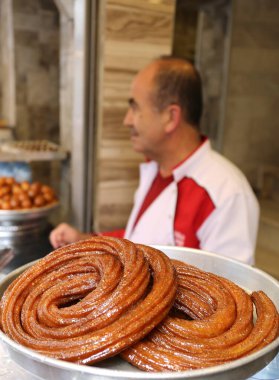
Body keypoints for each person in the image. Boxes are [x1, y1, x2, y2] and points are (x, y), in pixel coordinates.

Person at [49, 56, 259, 264]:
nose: (127, 120)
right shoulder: (156, 170)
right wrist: (84, 240)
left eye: (135, 108)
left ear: (170, 117)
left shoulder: (227, 196)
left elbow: (230, 289)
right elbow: (138, 240)